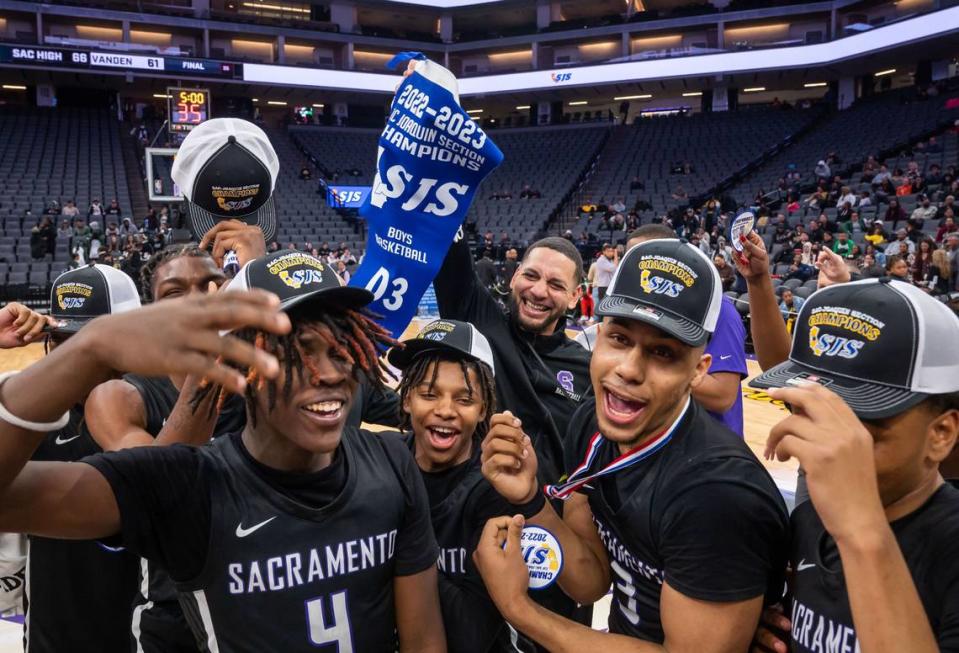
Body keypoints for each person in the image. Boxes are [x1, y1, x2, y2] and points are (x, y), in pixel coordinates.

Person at [0, 255, 447, 652]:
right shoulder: (194, 484)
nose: (329, 373)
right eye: (299, 355)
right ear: (240, 364)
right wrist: (89, 348)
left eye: (341, 349)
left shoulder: (390, 460)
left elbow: (424, 640)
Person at [474, 239, 789, 651]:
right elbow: (591, 581)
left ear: (699, 370)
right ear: (597, 336)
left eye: (662, 352)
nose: (628, 369)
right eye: (620, 339)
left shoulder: (717, 495)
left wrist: (519, 609)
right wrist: (533, 502)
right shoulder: (591, 425)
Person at [750, 279, 959, 653]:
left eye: (857, 425)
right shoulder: (810, 519)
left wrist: (861, 530)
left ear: (941, 433)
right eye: (811, 414)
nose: (828, 446)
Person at [388, 319, 538, 653]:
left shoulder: (495, 487)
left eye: (464, 399)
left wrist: (400, 544)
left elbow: (471, 635)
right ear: (407, 398)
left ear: (484, 408)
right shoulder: (382, 461)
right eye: (429, 394)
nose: (445, 411)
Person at [21, 265, 143, 652]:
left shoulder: (160, 416)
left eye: (89, 342)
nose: (71, 356)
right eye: (60, 340)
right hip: (47, 638)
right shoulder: (33, 419)